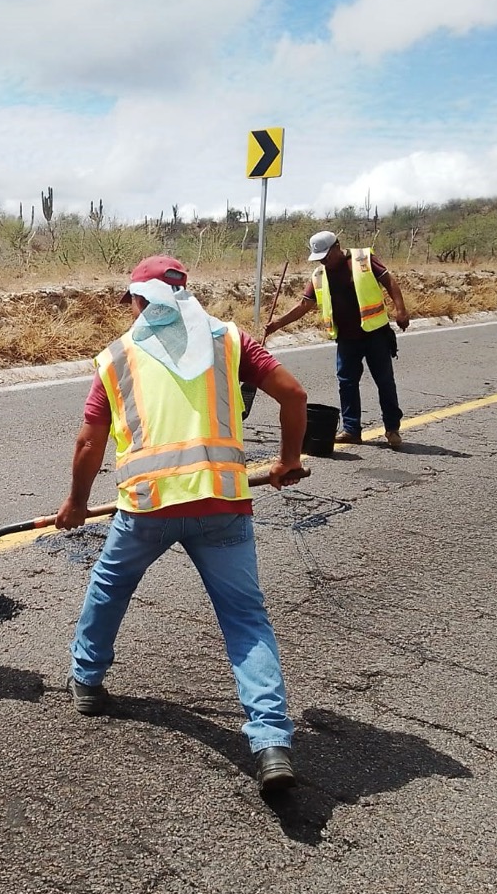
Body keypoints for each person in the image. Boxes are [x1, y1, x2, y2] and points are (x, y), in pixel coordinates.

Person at [55, 255, 309, 794]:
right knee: (245, 620)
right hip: (222, 505)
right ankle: (270, 743)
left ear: (139, 299)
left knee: (109, 587)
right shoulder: (230, 340)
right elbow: (295, 394)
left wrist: (76, 504)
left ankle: (87, 680)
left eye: (133, 301)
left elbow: (87, 443)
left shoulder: (118, 356)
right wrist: (288, 459)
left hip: (147, 508)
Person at [265, 231, 410, 448]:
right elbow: (304, 305)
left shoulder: (362, 260)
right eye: (320, 257)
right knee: (346, 383)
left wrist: (401, 310)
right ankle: (352, 430)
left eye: (327, 255)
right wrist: (277, 323)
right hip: (346, 339)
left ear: (337, 247)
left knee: (385, 382)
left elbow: (389, 281)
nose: (324, 260)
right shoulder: (319, 276)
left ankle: (392, 428)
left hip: (375, 333)